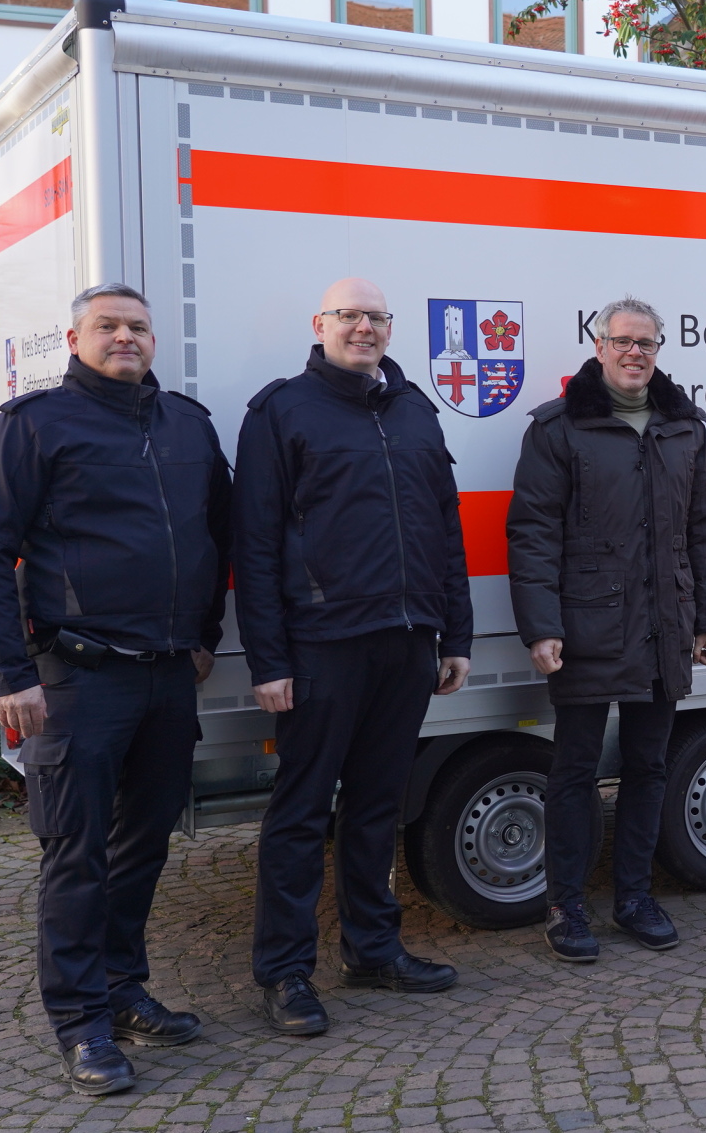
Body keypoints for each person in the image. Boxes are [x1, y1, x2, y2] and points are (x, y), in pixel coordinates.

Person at [0, 282, 230, 1096]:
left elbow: (221, 535)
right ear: (75, 339)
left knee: (142, 845)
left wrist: (206, 635)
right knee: (77, 853)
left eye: (138, 326)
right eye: (107, 326)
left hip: (168, 676)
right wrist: (10, 672)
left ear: (154, 339)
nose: (125, 337)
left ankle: (121, 987)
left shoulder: (188, 425)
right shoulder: (34, 425)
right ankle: (81, 1023)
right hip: (78, 677)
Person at [233, 277, 472, 1035]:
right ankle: (284, 973)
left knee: (375, 807)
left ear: (390, 328)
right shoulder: (282, 411)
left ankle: (372, 950)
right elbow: (254, 542)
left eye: (375, 317)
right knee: (302, 812)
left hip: (407, 641)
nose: (363, 327)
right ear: (320, 324)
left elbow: (445, 527)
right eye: (349, 316)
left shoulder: (415, 410)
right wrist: (268, 659)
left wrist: (455, 634)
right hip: (321, 644)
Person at [508, 296, 706, 960]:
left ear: (659, 350)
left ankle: (634, 897)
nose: (635, 352)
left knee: (648, 766)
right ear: (599, 345)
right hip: (586, 627)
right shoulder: (559, 427)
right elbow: (533, 533)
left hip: (665, 624)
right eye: (623, 341)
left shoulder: (684, 426)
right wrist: (541, 626)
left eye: (647, 343)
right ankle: (566, 906)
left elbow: (705, 529)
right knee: (574, 769)